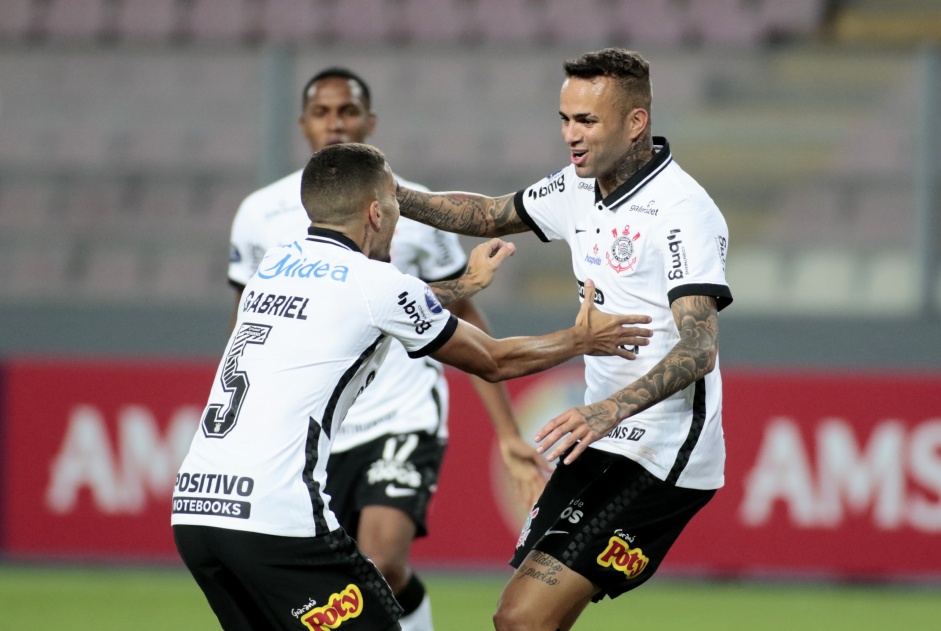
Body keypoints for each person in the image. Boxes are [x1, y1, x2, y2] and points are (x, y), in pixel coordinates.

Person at [172, 142, 653, 631]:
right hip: (276, 517)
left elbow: (367, 304)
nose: (401, 218)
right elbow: (492, 360)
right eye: (397, 206)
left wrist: (464, 284)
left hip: (196, 512)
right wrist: (581, 338)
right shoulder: (375, 282)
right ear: (376, 213)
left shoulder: (273, 269)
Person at [394, 48, 733, 630]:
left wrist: (608, 409)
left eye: (586, 121)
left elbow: (700, 347)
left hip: (662, 450)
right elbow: (487, 215)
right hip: (597, 439)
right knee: (524, 621)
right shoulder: (578, 186)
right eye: (565, 118)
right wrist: (388, 193)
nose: (569, 135)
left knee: (522, 619)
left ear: (635, 123)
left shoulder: (683, 212)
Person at [227, 68, 551, 630]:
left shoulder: (415, 207)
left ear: (369, 122)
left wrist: (506, 434)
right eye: (322, 112)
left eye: (347, 111)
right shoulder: (259, 214)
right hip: (316, 428)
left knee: (382, 564)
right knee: (340, 585)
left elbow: (461, 312)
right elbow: (248, 326)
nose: (335, 122)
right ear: (302, 123)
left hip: (401, 414)